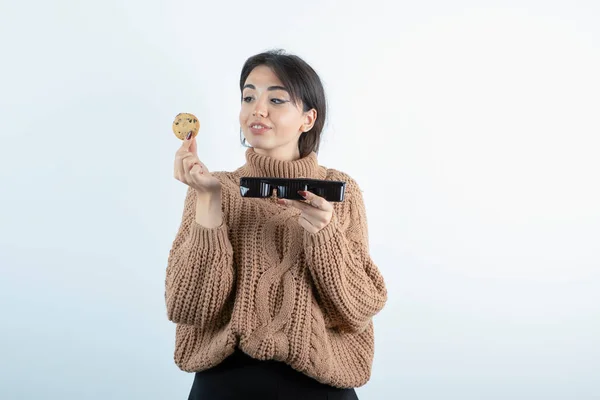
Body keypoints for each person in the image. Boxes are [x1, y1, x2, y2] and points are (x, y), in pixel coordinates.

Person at [166, 49, 388, 400]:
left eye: (277, 99)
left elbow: (359, 308)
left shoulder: (341, 193)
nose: (258, 109)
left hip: (320, 385)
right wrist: (209, 202)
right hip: (223, 386)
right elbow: (188, 307)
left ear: (308, 119)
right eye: (248, 96)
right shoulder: (211, 188)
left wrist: (325, 234)